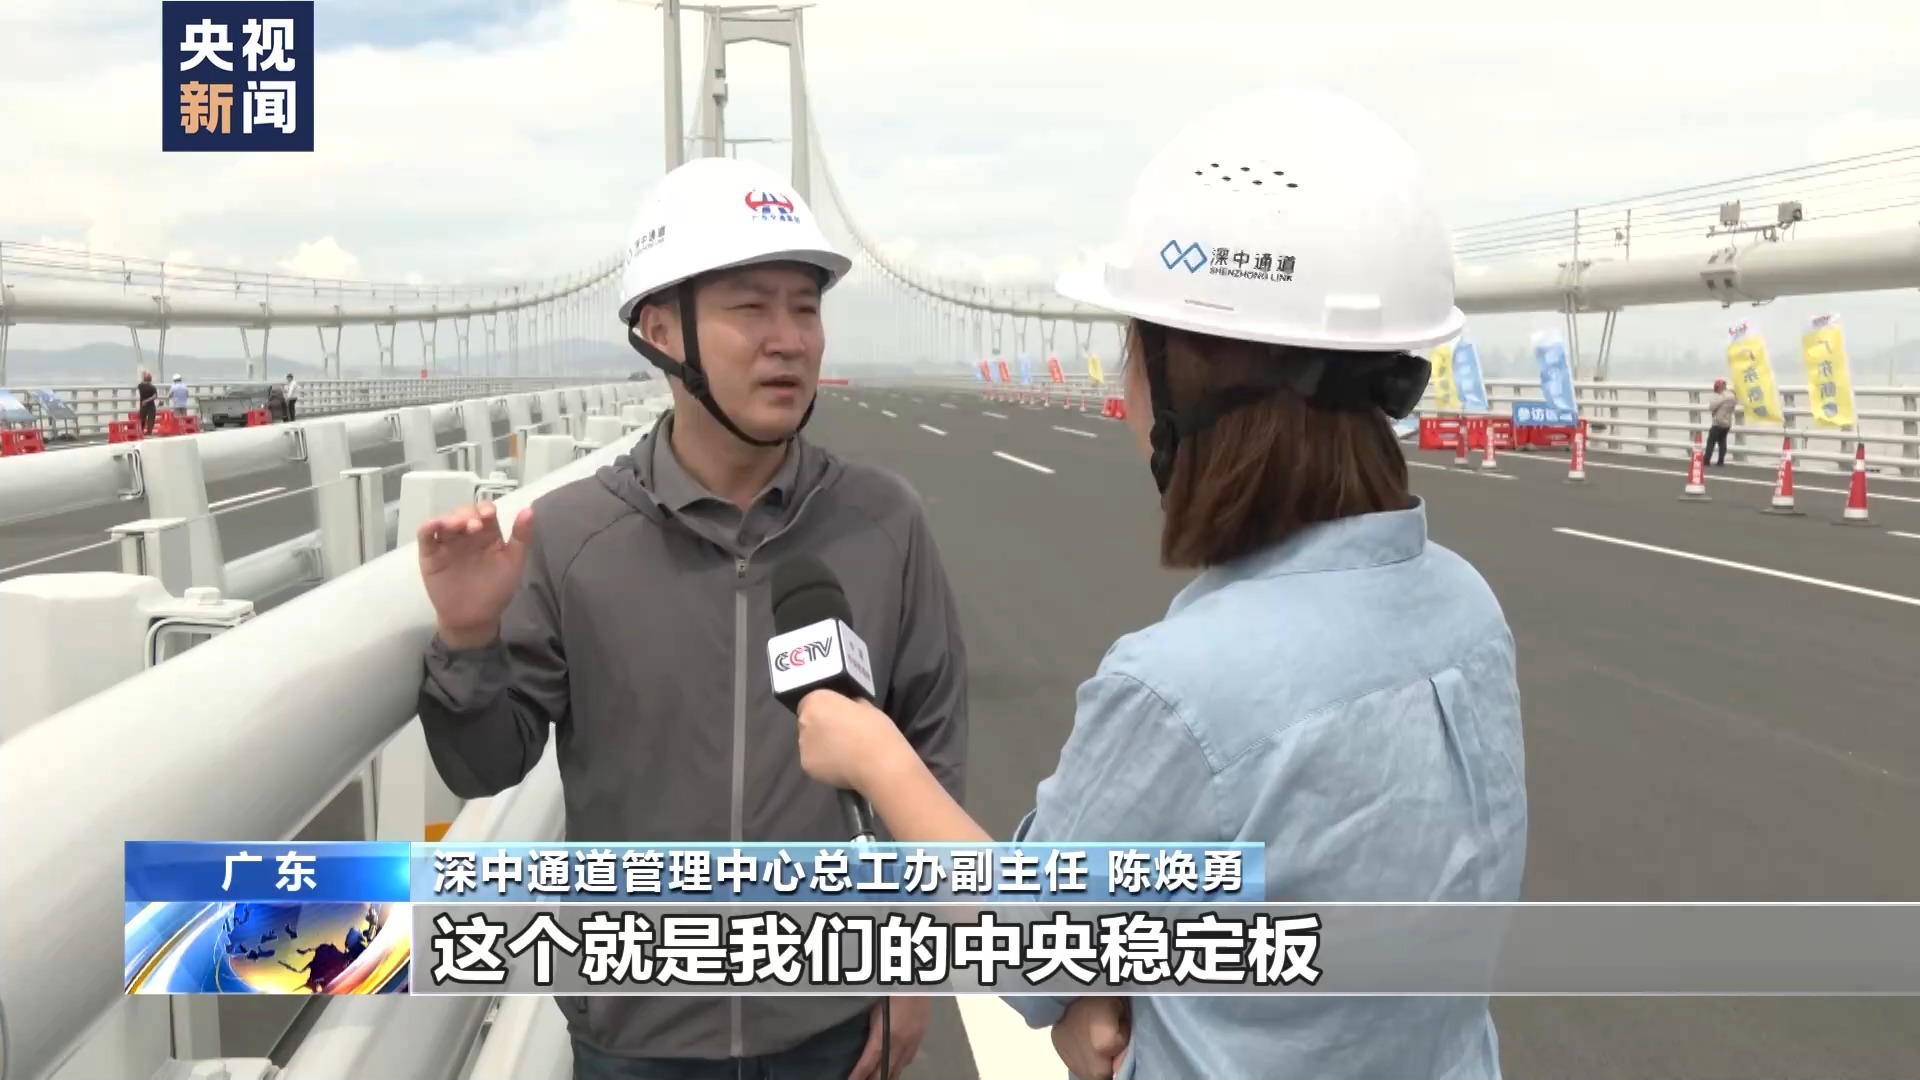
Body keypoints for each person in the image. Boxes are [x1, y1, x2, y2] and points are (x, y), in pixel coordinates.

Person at [791, 85, 1527, 1080]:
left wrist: (878, 758)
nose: (1124, 392)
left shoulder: (1182, 689)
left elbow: (1029, 951)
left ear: (1192, 382)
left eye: (1133, 350)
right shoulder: (1469, 607)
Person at [412, 154, 969, 1080]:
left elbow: (932, 747)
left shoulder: (884, 522)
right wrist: (469, 639)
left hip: (832, 1027)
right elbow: (485, 765)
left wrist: (915, 965)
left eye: (806, 308)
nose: (789, 340)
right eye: (752, 308)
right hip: (635, 1039)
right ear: (660, 331)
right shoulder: (573, 536)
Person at [1706, 377, 1735, 467]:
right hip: (1727, 423)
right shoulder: (1732, 397)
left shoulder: (1719, 396)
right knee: (1722, 441)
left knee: (1711, 441)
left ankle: (1706, 460)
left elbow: (1711, 407)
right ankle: (1720, 461)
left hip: (1717, 422)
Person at [136, 370, 158, 435]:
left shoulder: (140, 386)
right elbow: (155, 396)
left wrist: (143, 374)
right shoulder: (152, 387)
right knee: (151, 418)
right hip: (151, 405)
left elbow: (141, 382)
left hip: (143, 405)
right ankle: (149, 431)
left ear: (144, 379)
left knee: (142, 418)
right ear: (151, 379)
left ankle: (141, 431)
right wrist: (148, 400)